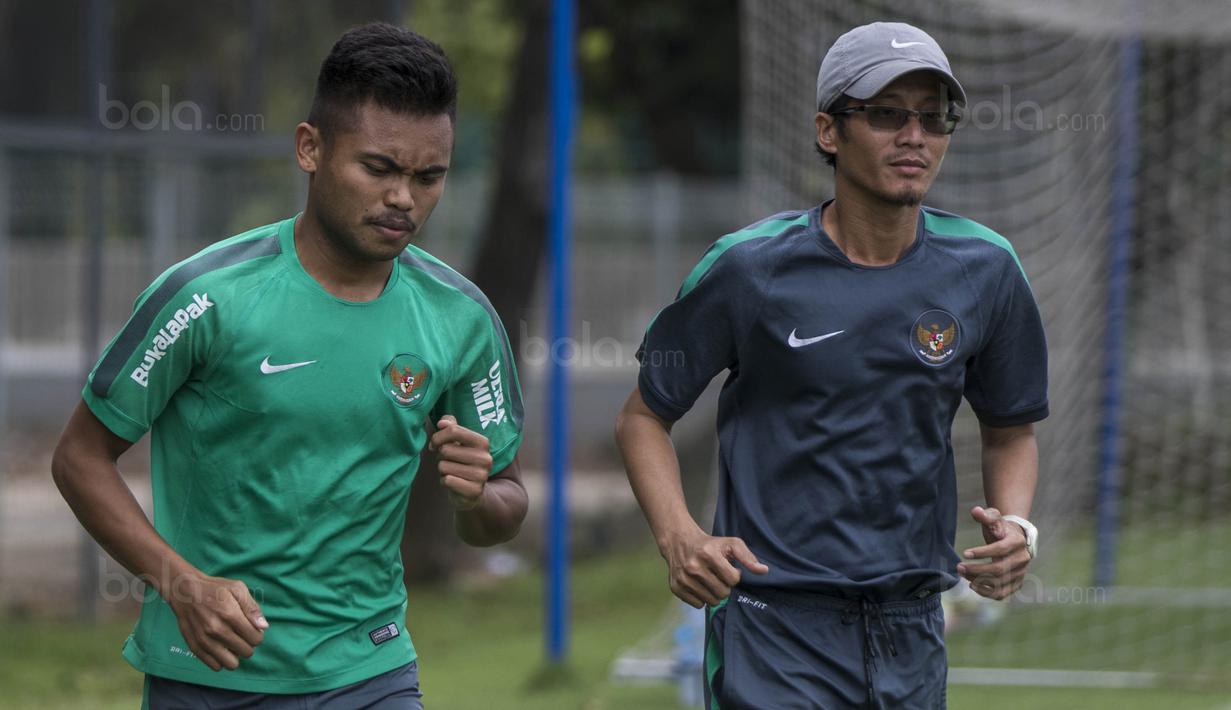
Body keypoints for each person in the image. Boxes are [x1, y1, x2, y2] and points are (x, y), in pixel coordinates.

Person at [51, 22, 526, 709]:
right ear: (311, 148)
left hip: (372, 670)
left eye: (429, 177)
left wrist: (476, 496)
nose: (404, 198)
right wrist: (181, 583)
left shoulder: (461, 317)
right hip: (209, 676)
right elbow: (79, 458)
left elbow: (503, 507)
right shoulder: (206, 297)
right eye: (379, 168)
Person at [615, 21, 1047, 709]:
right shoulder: (747, 269)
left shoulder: (987, 269)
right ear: (827, 130)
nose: (914, 137)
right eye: (885, 115)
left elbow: (1010, 428)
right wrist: (679, 537)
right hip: (773, 625)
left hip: (913, 626)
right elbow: (643, 417)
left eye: (933, 119)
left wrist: (1016, 527)